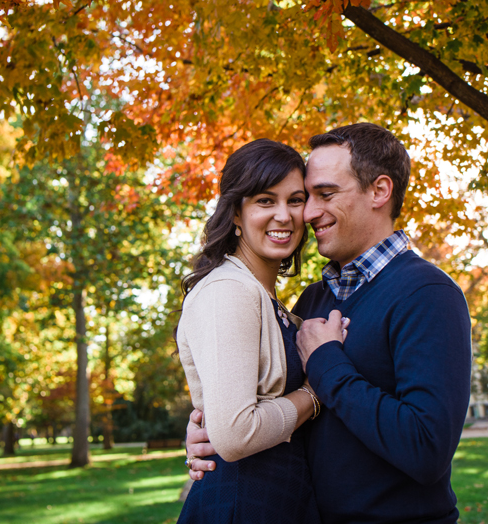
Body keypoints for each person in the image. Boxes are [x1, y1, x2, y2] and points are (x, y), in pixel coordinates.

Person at [186, 123, 472, 524]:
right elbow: (273, 413)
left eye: (324, 194)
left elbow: (427, 449)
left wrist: (327, 366)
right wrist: (210, 427)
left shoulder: (428, 294)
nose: (308, 213)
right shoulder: (312, 300)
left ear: (379, 191)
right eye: (310, 197)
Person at [175, 139, 345, 524]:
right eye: (265, 201)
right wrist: (315, 392)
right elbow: (235, 435)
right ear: (236, 213)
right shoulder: (228, 291)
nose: (284, 215)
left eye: (295, 200)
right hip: (242, 502)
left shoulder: (267, 299)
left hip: (281, 499)